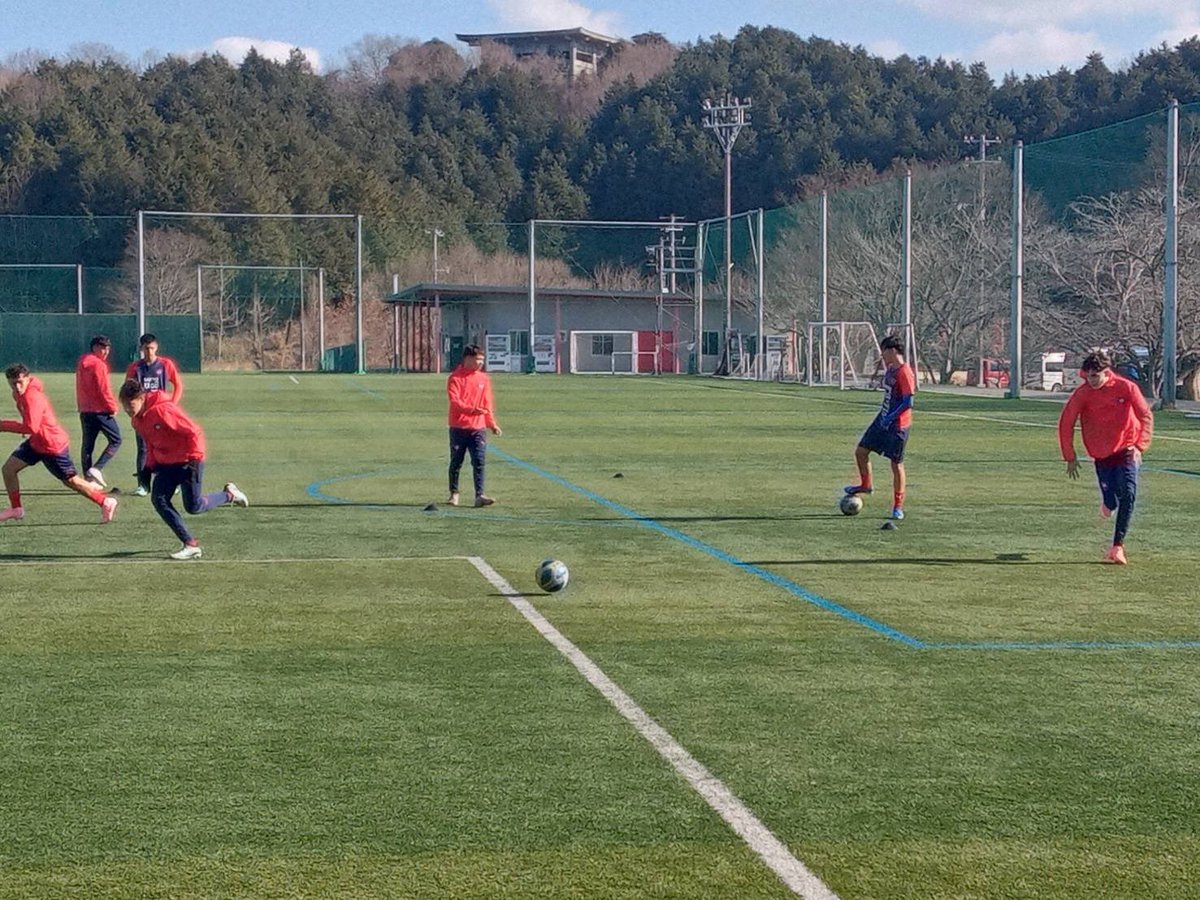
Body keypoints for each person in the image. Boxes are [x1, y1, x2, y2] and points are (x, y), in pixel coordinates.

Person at [118, 379, 247, 560]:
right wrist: (149, 466)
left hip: (188, 460)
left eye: (130, 405)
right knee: (159, 500)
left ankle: (229, 495)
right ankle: (190, 544)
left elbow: (193, 431)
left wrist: (195, 458)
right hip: (166, 465)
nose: (127, 410)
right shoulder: (136, 421)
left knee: (194, 506)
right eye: (124, 406)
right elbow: (150, 444)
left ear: (141, 398)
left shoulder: (163, 410)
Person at [1057, 349, 1153, 565]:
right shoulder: (1083, 393)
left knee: (1128, 493)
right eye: (1088, 376)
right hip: (1101, 453)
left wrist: (1140, 446)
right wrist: (1069, 455)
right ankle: (1108, 502)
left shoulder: (1126, 387)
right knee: (1111, 499)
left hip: (1127, 448)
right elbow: (1066, 422)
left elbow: (1145, 415)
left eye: (1095, 376)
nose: (1091, 380)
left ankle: (1117, 546)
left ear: (1107, 372)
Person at [0, 364, 118, 523]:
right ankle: (16, 509)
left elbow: (31, 427)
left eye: (20, 382)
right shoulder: (18, 393)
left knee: (71, 481)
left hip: (52, 445)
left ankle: (105, 501)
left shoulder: (31, 396)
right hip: (37, 442)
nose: (17, 387)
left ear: (28, 379)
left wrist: (3, 425)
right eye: (13, 383)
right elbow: (31, 421)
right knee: (8, 469)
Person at [844, 334, 916, 520]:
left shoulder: (905, 372)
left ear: (892, 350)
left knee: (896, 464)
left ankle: (898, 507)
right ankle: (866, 485)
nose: (882, 355)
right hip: (882, 419)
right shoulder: (891, 369)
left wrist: (891, 417)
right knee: (861, 452)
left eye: (883, 351)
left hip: (898, 425)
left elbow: (908, 402)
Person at [126, 332, 184, 497]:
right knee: (143, 449)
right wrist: (133, 410)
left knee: (166, 448)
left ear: (156, 347)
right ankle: (143, 485)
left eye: (152, 348)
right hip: (143, 415)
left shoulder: (166, 364)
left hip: (162, 414)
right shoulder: (135, 368)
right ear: (141, 349)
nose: (149, 352)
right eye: (146, 348)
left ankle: (172, 482)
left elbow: (178, 385)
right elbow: (128, 390)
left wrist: (172, 404)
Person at [446, 344, 502, 508]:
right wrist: (471, 410)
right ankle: (454, 493)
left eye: (482, 360)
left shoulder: (483, 379)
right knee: (456, 461)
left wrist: (491, 424)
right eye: (478, 359)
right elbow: (455, 402)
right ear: (468, 359)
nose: (481, 363)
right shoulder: (455, 378)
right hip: (458, 427)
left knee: (479, 461)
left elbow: (487, 403)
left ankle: (480, 495)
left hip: (478, 428)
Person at [75, 334, 122, 487]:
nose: (106, 351)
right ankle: (97, 468)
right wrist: (112, 406)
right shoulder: (98, 365)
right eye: (103, 348)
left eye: (108, 348)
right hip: (100, 411)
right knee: (116, 440)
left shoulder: (82, 362)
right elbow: (104, 389)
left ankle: (88, 480)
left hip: (85, 410)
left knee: (88, 445)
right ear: (94, 347)